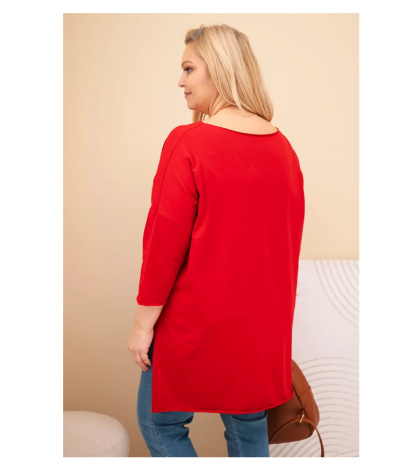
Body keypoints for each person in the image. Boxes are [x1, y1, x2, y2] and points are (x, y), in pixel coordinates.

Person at [127, 24, 305, 457]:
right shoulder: (283, 149)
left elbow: (163, 245)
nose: (181, 80)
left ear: (220, 69)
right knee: (248, 428)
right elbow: (284, 246)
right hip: (260, 332)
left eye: (189, 68)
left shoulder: (189, 142)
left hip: (195, 323)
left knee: (158, 423)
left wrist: (142, 327)